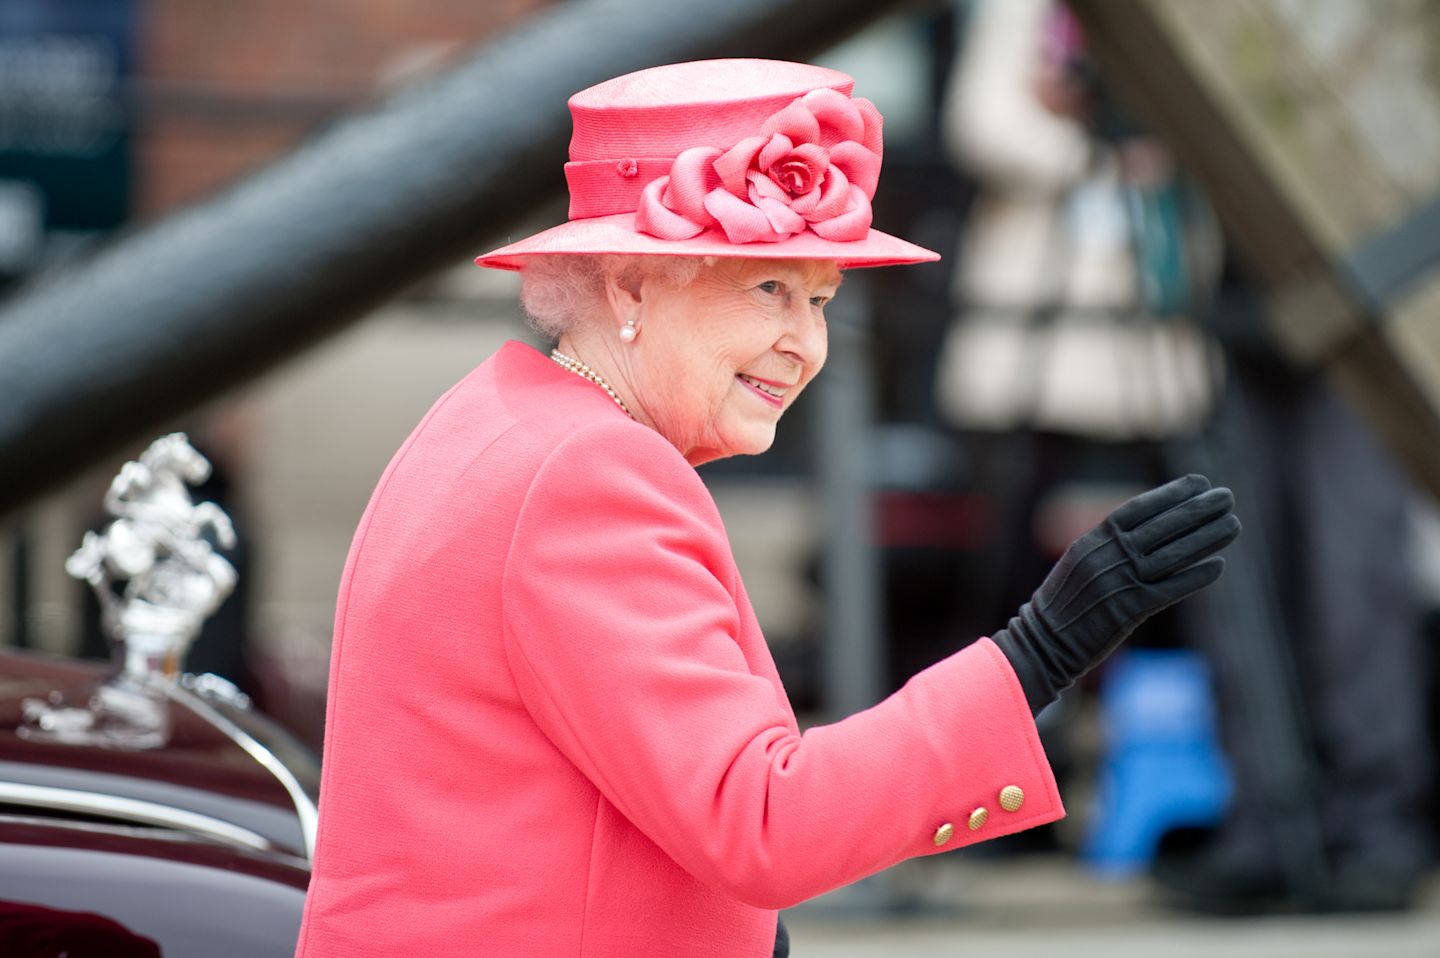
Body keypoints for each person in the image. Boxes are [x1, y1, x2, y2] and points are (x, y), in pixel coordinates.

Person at [293, 59, 1240, 958]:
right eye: (768, 289)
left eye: (820, 298)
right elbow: (764, 822)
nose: (803, 345)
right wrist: (1039, 651)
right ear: (629, 285)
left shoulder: (498, 418)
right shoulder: (591, 474)